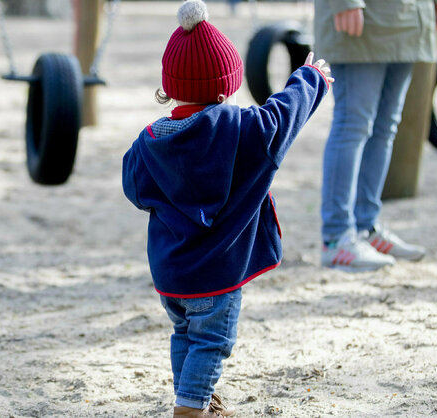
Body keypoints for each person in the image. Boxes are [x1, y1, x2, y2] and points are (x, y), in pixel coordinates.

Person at [122, 1, 332, 416]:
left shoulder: (148, 143)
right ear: (224, 90)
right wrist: (310, 78)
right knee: (213, 342)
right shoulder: (243, 132)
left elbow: (134, 189)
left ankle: (197, 400)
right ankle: (191, 407)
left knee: (185, 334)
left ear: (169, 89)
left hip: (171, 273)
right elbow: (283, 115)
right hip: (216, 276)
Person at [314, 0, 437, 272]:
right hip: (364, 17)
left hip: (411, 17)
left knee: (385, 126)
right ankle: (336, 237)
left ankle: (366, 226)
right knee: (353, 125)